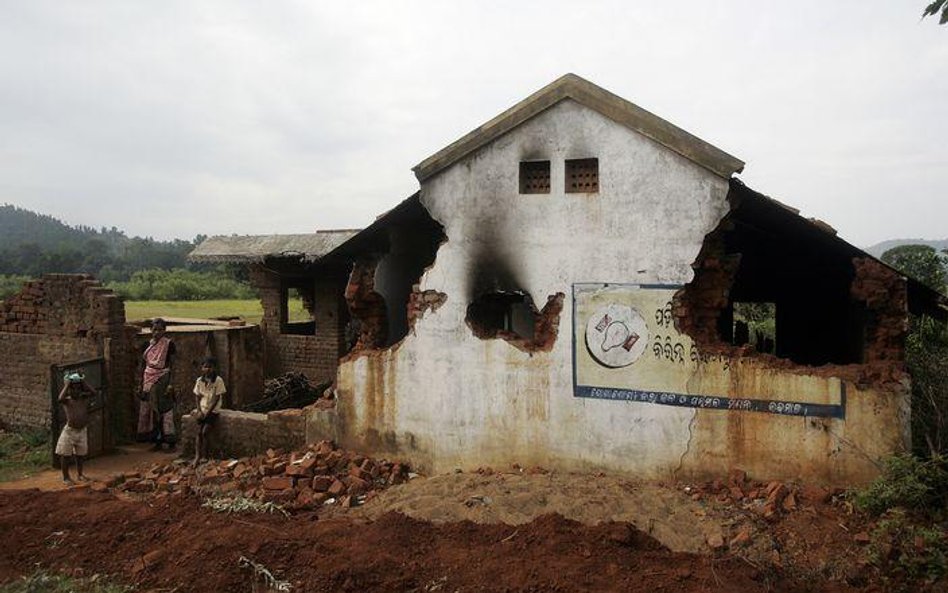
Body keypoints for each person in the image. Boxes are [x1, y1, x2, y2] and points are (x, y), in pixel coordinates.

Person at [138, 318, 177, 451]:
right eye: (154, 329)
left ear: (164, 330)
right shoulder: (147, 345)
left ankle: (170, 441)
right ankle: (157, 440)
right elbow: (143, 365)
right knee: (152, 412)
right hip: (148, 378)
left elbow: (172, 365)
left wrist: (171, 383)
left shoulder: (169, 344)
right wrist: (140, 383)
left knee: (165, 410)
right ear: (150, 330)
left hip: (163, 378)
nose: (157, 332)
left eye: (160, 330)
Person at [56, 371, 96, 484]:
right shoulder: (67, 400)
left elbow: (94, 392)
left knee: (80, 455)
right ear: (69, 389)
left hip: (82, 430)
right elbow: (60, 398)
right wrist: (67, 384)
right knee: (65, 454)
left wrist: (83, 382)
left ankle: (80, 474)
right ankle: (66, 477)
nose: (76, 391)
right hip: (70, 431)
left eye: (78, 388)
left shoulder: (83, 398)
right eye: (73, 388)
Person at [192, 356, 226, 465]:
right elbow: (197, 396)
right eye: (205, 367)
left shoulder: (218, 380)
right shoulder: (199, 380)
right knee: (198, 433)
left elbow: (216, 399)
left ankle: (205, 455)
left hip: (213, 410)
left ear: (214, 368)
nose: (207, 369)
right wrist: (199, 411)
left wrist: (207, 412)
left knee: (205, 431)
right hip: (203, 408)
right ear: (202, 368)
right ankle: (197, 456)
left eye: (210, 367)